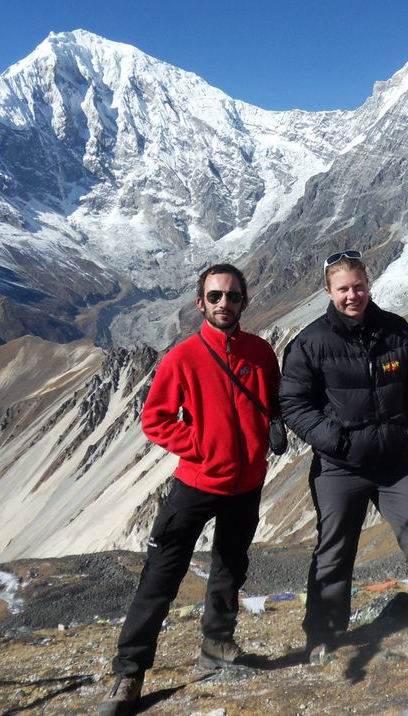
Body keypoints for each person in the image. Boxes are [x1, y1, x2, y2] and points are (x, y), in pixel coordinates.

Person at [99, 263, 281, 716]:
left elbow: (275, 401)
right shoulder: (182, 357)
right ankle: (130, 673)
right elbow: (155, 419)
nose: (225, 304)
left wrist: (270, 429)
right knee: (161, 574)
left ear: (244, 301)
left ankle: (218, 644)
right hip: (198, 481)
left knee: (230, 567)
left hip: (247, 482)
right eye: (215, 296)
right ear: (201, 303)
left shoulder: (261, 352)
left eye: (233, 296)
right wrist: (201, 446)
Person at [280, 250, 408, 663]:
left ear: (368, 284)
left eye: (358, 286)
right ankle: (323, 635)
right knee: (334, 552)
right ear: (328, 291)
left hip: (394, 462)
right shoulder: (310, 343)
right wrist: (338, 443)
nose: (352, 295)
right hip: (339, 466)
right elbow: (293, 403)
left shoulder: (396, 330)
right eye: (342, 288)